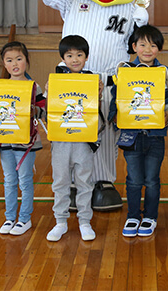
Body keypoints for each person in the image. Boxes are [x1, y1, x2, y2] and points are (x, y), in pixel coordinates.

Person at [0, 0, 155, 210]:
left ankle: (102, 182)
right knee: (70, 131)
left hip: (108, 80)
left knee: (104, 132)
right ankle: (74, 186)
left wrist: (143, 25)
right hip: (70, 81)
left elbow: (139, 46)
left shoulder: (130, 6)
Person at [108, 25, 168, 237]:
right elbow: (115, 100)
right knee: (134, 179)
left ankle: (150, 216)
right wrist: (116, 117)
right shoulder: (124, 71)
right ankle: (133, 215)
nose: (148, 49)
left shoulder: (164, 72)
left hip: (155, 136)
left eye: (154, 45)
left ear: (159, 49)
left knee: (152, 179)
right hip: (132, 136)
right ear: (134, 46)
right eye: (143, 44)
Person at [46, 35, 99, 242]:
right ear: (63, 58)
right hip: (61, 142)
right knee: (60, 182)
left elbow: (95, 111)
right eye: (69, 55)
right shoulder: (55, 80)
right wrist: (51, 94)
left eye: (79, 55)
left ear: (86, 57)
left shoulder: (92, 79)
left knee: (85, 182)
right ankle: (60, 221)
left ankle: (85, 221)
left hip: (84, 142)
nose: (75, 59)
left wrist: (99, 94)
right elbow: (50, 110)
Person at [0, 42, 46, 236]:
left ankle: (24, 218)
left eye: (19, 59)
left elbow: (44, 112)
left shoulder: (34, 87)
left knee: (24, 180)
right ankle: (9, 217)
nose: (14, 63)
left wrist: (34, 110)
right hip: (5, 141)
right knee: (9, 180)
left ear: (26, 61)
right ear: (4, 64)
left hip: (27, 141)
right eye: (9, 60)